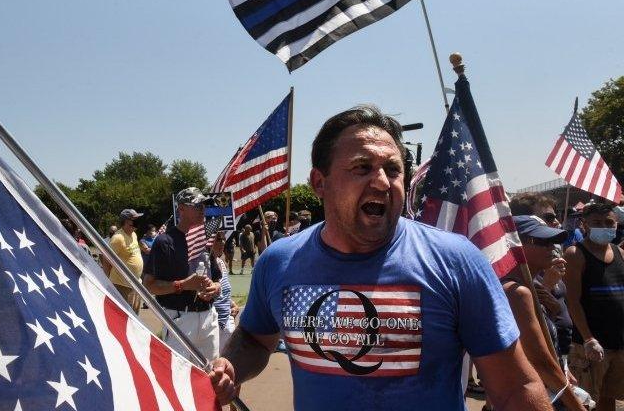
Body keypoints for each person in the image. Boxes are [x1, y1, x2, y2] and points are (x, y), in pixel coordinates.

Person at [208, 105, 551, 410]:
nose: (383, 182)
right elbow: (255, 338)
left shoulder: (457, 261)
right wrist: (232, 365)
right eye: (361, 167)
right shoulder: (279, 261)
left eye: (393, 169)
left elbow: (515, 388)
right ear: (319, 183)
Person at [500, 216, 585, 410]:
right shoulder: (516, 292)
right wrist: (577, 406)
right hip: (532, 399)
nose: (552, 248)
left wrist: (562, 368)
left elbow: (546, 347)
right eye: (542, 242)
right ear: (515, 245)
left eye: (552, 242)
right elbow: (539, 361)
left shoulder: (532, 288)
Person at [143, 187, 223, 360]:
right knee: (178, 375)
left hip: (209, 315)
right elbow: (149, 285)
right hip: (181, 317)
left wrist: (215, 288)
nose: (202, 210)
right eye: (197, 206)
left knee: (212, 375)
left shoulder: (205, 238)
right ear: (181, 209)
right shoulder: (165, 242)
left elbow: (216, 278)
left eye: (204, 206)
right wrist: (184, 285)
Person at [565, 202, 624, 411]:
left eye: (609, 222)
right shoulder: (575, 254)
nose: (605, 226)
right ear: (585, 225)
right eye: (597, 223)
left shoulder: (620, 253)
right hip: (590, 345)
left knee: (610, 398)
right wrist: (588, 338)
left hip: (618, 343)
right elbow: (573, 301)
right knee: (586, 401)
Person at [105, 209, 145, 314]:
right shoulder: (118, 238)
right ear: (126, 221)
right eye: (134, 220)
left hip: (136, 284)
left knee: (134, 318)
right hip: (122, 286)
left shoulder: (134, 235)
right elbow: (107, 259)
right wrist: (107, 280)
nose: (136, 223)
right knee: (124, 317)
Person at [211, 232, 239, 350]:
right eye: (218, 239)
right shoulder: (203, 265)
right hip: (211, 322)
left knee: (228, 359)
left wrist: (233, 305)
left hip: (227, 319)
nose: (222, 242)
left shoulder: (222, 263)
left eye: (223, 239)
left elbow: (224, 293)